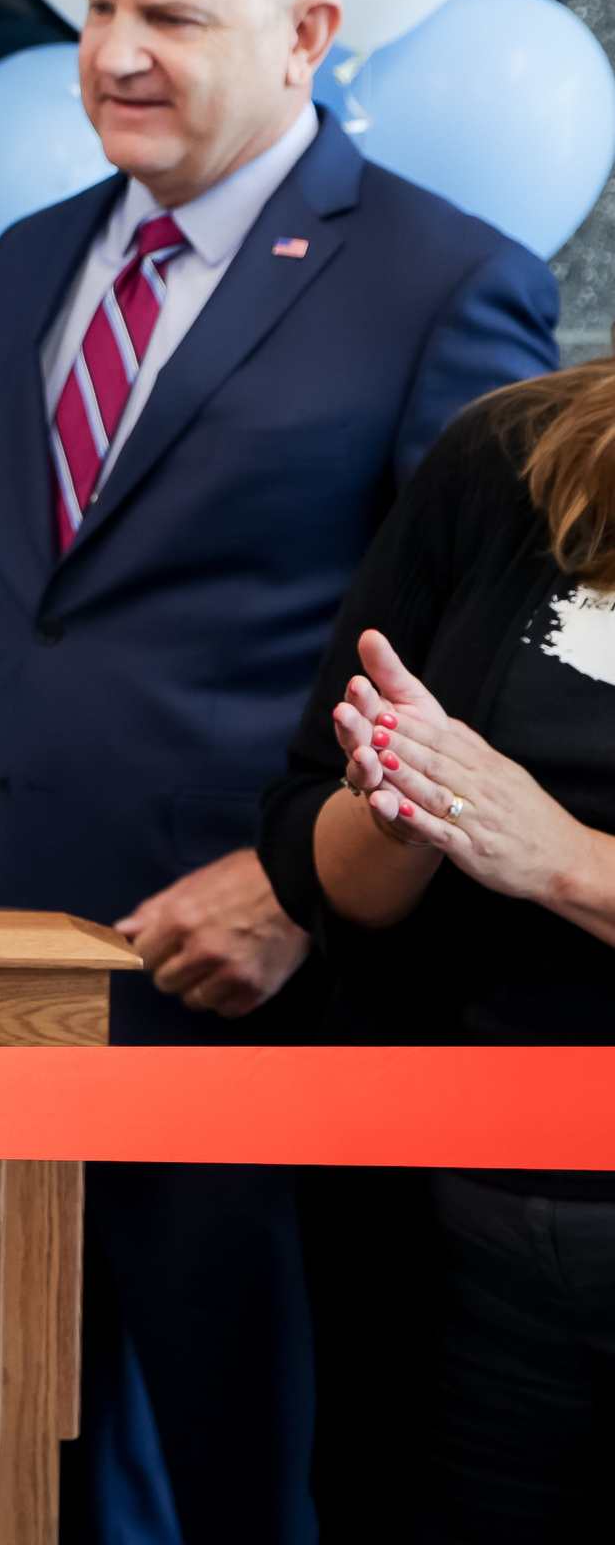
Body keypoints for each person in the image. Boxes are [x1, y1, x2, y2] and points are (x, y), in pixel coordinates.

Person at [0, 0, 559, 1543]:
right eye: (94, 6)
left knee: (261, 1493)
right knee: (21, 1476)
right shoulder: (27, 261)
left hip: (262, 1015)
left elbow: (490, 668)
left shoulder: (445, 283)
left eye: (169, 14)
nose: (110, 52)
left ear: (309, 34)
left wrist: (299, 890)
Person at [261, 363, 615, 1541]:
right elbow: (315, 839)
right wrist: (407, 812)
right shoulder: (513, 451)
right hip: (463, 1244)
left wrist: (563, 857)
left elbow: (539, 845)